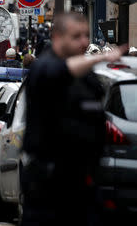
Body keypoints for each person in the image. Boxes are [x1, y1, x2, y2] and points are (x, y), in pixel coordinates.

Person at [22, 12, 125, 226]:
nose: (84, 41)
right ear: (58, 37)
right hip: (49, 184)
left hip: (85, 180)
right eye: (76, 36)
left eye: (86, 35)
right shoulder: (44, 68)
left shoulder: (87, 77)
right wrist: (101, 58)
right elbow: (58, 72)